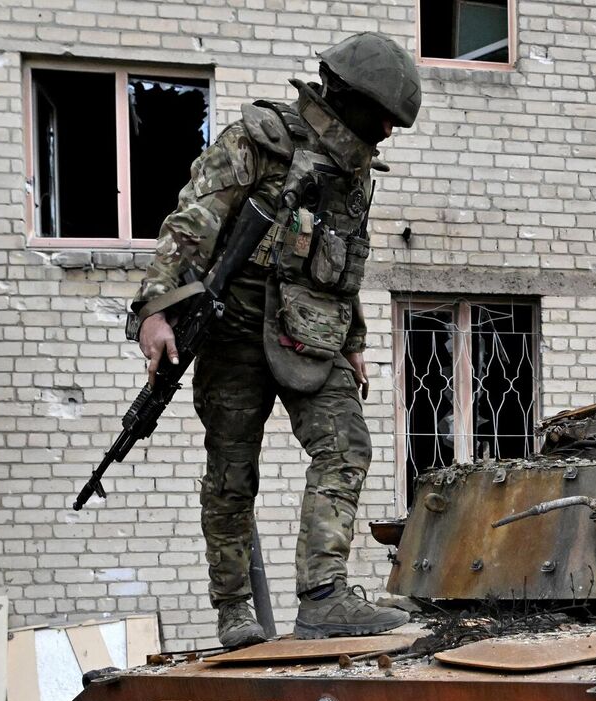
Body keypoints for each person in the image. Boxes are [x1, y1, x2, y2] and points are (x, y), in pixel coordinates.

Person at [127, 32, 420, 647]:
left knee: (347, 448)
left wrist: (355, 340)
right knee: (232, 476)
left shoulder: (355, 171)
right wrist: (153, 310)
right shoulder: (258, 140)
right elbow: (188, 226)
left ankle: (324, 598)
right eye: (386, 117)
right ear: (351, 98)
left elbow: (344, 263)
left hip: (312, 333)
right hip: (231, 329)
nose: (389, 132)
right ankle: (235, 610)